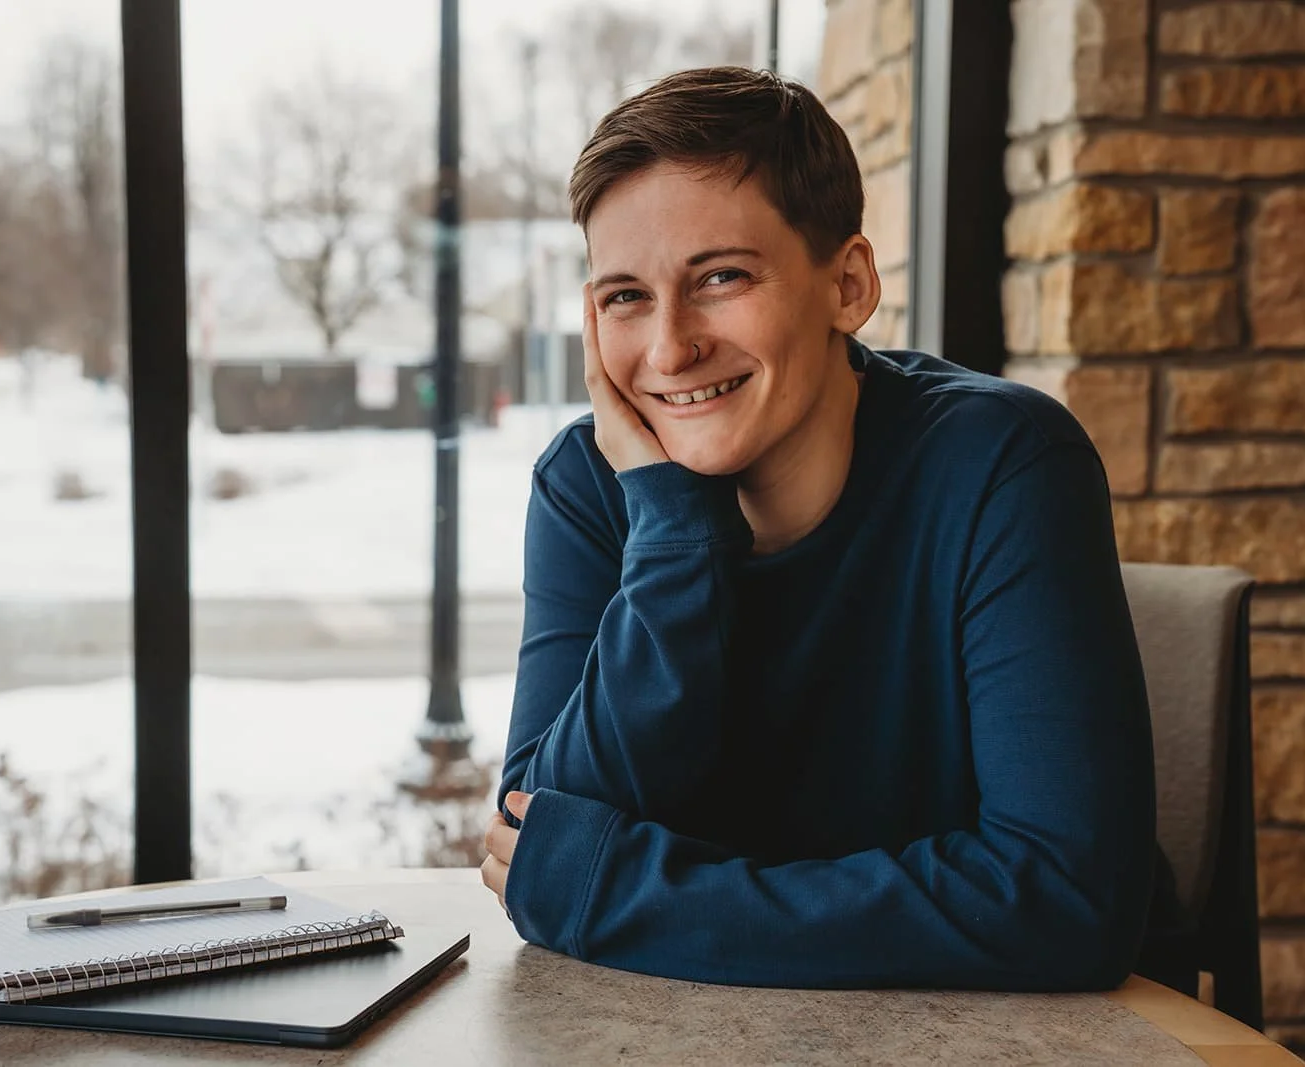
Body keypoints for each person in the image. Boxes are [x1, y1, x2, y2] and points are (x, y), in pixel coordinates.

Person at [479, 66, 1159, 992]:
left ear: (848, 283)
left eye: (720, 277)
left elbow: (1066, 898)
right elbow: (540, 839)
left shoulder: (1002, 462)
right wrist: (674, 526)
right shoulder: (591, 485)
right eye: (624, 297)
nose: (671, 348)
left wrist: (634, 894)